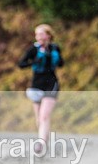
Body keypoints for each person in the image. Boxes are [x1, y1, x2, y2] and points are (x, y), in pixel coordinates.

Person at [18, 24, 64, 153]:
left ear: (48, 35)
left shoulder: (55, 48)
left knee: (44, 116)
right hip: (36, 84)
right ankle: (44, 139)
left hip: (51, 83)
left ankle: (41, 144)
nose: (38, 37)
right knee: (39, 118)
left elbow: (61, 63)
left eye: (40, 34)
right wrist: (34, 62)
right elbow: (21, 64)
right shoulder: (33, 49)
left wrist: (54, 57)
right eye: (36, 34)